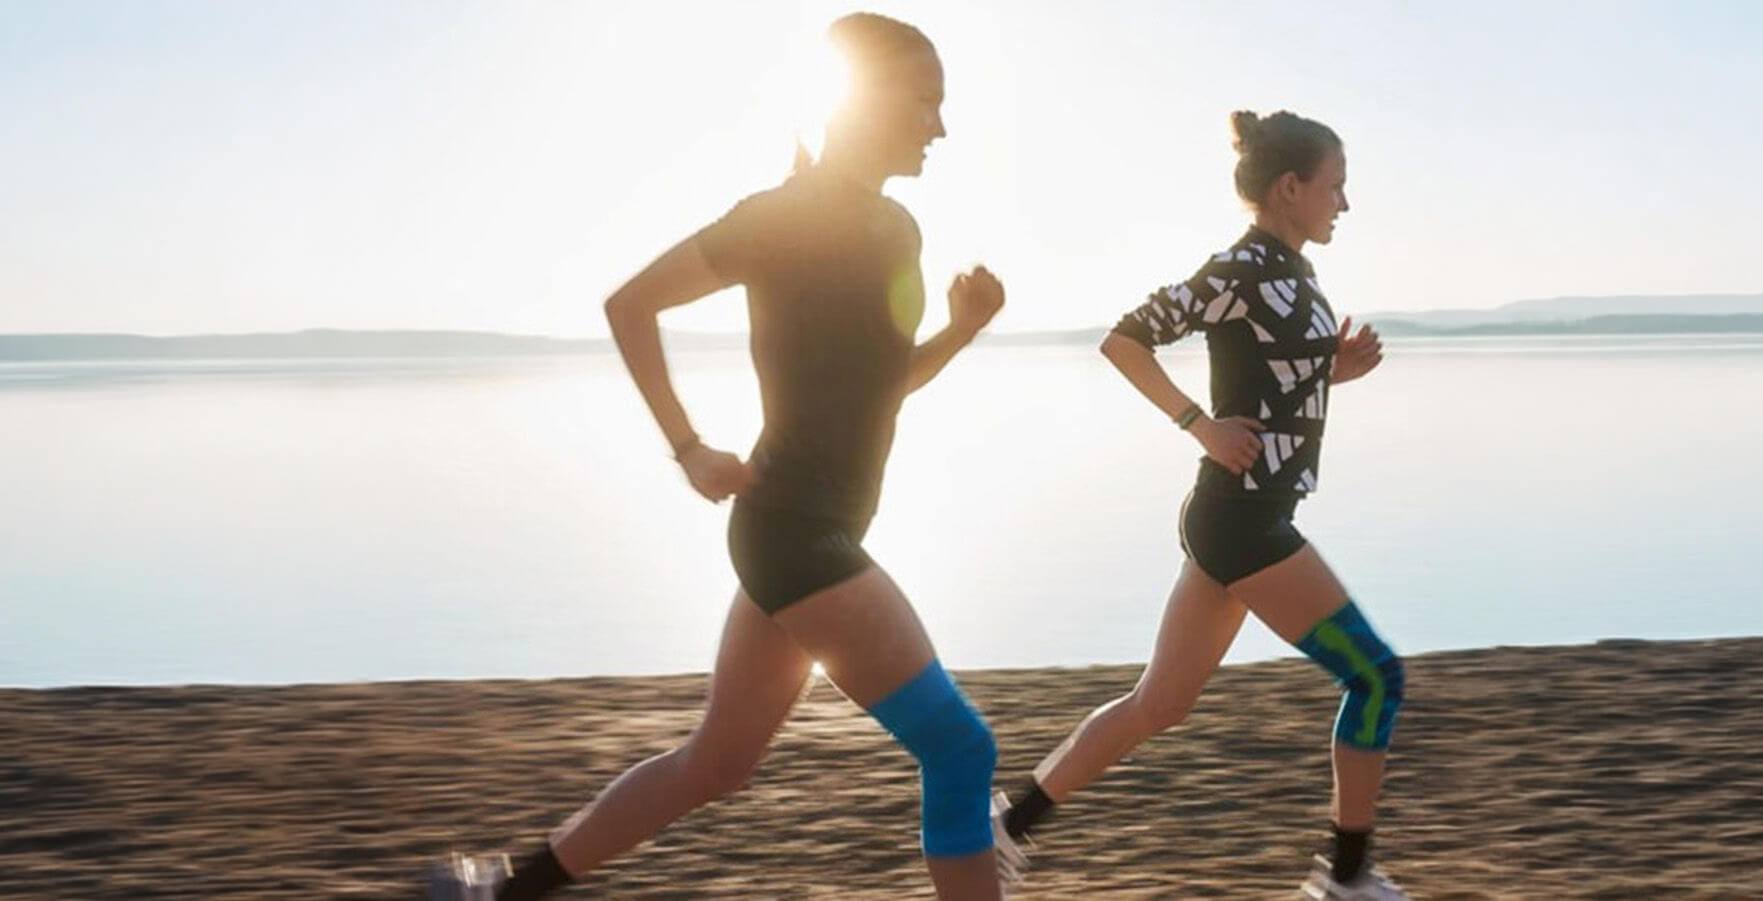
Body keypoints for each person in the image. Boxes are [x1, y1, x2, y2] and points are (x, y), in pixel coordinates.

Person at [426, 13, 1023, 900]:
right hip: (794, 534)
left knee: (717, 760)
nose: (941, 126)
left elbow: (883, 384)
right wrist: (689, 447)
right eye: (926, 100)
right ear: (864, 100)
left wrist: (962, 332)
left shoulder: (898, 232)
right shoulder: (776, 219)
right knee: (960, 745)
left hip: (801, 530)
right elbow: (630, 306)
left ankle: (506, 890)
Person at [992, 110, 1406, 900]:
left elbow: (1276, 383)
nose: (1343, 205)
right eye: (1335, 187)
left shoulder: (1295, 270)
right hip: (1244, 518)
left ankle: (1004, 826)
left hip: (1237, 514)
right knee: (1377, 678)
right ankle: (1346, 876)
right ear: (1290, 188)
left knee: (1159, 702)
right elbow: (1125, 339)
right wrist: (1198, 424)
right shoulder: (1239, 270)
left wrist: (1333, 371)